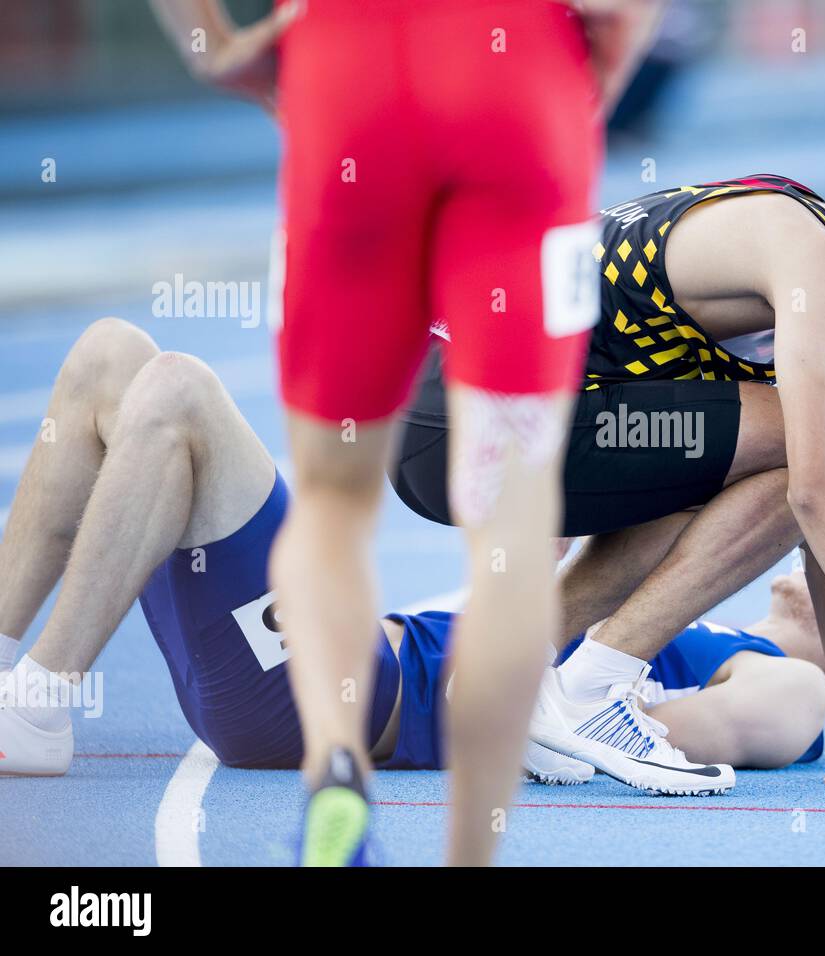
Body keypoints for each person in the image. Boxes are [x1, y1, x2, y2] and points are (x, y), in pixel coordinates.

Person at [392, 105, 825, 809]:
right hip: (467, 413)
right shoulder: (807, 259)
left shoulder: (786, 248)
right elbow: (821, 488)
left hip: (450, 415)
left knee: (796, 449)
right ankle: (590, 688)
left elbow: (807, 492)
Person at [0, 320, 825, 790]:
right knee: (111, 361)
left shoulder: (791, 693)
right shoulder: (703, 615)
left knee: (175, 388)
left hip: (339, 694)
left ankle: (42, 698)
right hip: (325, 652)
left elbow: (596, 730)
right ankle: (15, 670)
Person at [148, 0, 666, 864]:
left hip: (346, 74)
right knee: (512, 526)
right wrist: (608, 50)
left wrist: (210, 42)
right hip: (517, 73)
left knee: (332, 504)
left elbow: (214, 41)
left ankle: (338, 769)